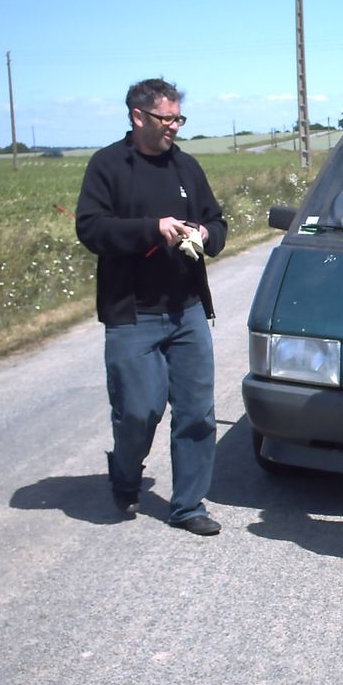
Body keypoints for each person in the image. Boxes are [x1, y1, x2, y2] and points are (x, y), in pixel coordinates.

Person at [76, 78, 228, 536]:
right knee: (137, 411)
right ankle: (125, 477)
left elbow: (217, 223)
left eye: (179, 118)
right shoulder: (108, 165)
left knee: (197, 412)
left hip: (186, 310)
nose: (174, 128)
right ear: (138, 116)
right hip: (132, 312)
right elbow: (91, 228)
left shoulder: (186, 166)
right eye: (167, 119)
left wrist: (203, 235)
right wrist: (152, 229)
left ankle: (188, 506)